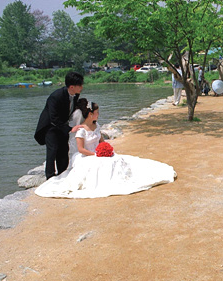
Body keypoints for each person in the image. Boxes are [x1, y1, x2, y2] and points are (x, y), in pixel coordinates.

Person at [35, 99, 176, 198]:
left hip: (98, 153)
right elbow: (81, 149)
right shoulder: (81, 130)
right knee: (101, 166)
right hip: (86, 156)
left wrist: (106, 149)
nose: (98, 114)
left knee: (116, 160)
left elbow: (101, 140)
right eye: (97, 112)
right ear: (90, 114)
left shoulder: (96, 126)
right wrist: (96, 154)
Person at [34, 72, 84, 179]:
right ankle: (50, 177)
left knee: (63, 150)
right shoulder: (55, 97)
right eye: (80, 85)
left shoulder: (75, 95)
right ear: (72, 87)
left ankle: (62, 174)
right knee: (52, 151)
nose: (82, 87)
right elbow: (53, 118)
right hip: (50, 127)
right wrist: (70, 129)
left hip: (62, 125)